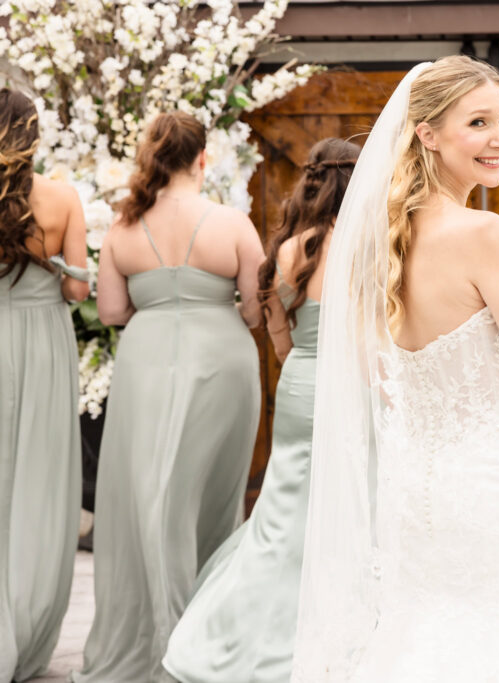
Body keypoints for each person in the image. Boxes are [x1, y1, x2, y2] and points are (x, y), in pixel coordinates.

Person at [290, 55, 499, 682]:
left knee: (424, 634)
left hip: (417, 489)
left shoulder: (374, 242)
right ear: (427, 133)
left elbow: (382, 377)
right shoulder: (484, 234)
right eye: (479, 122)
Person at [73, 111, 264, 683]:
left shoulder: (122, 230)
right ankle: (203, 637)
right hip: (224, 363)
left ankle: (152, 633)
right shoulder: (231, 223)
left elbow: (110, 312)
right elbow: (256, 311)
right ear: (203, 159)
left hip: (147, 361)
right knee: (212, 497)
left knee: (150, 498)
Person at [163, 137, 360, 683]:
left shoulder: (291, 250)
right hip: (354, 386)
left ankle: (242, 631)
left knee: (282, 516)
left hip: (301, 383)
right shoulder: (373, 244)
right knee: (352, 506)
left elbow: (280, 342)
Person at [0, 88, 89, 683]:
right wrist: (54, 268)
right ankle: (20, 623)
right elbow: (80, 290)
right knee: (36, 478)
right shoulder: (61, 199)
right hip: (43, 347)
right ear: (34, 134)